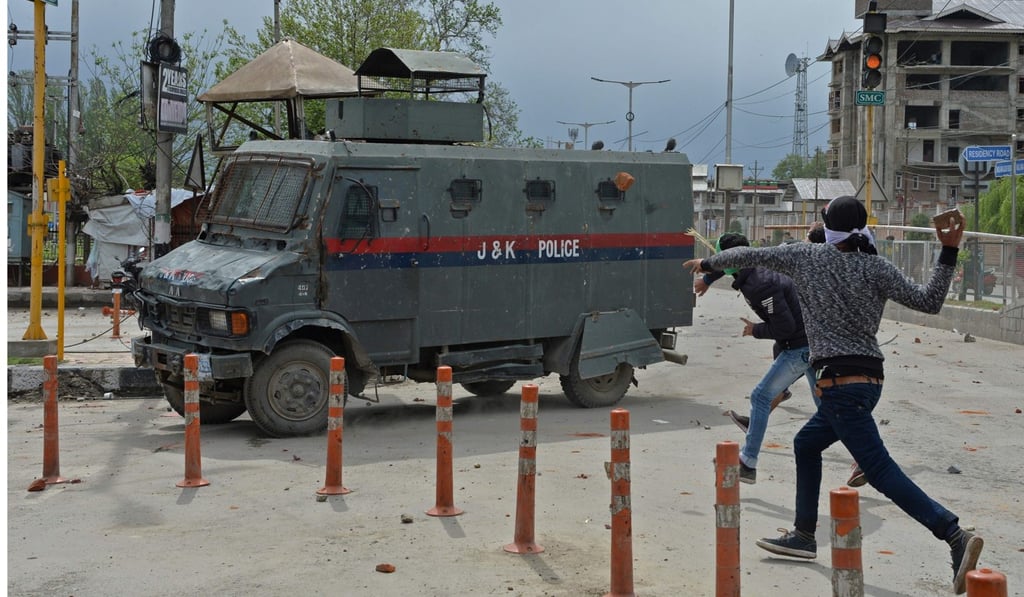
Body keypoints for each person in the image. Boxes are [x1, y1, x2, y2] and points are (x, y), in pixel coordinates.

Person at [683, 196, 982, 594]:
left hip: (839, 385)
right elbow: (930, 301)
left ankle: (952, 534)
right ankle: (804, 535)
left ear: (828, 228)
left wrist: (708, 265)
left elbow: (748, 252)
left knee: (879, 472)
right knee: (806, 443)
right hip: (868, 381)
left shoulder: (807, 258)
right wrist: (948, 250)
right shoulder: (876, 266)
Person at [694, 233, 815, 485]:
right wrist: (707, 277)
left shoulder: (761, 285)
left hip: (801, 346)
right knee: (829, 408)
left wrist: (755, 330)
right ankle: (866, 459)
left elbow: (784, 327)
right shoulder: (752, 268)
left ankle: (747, 463)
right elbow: (727, 264)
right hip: (809, 341)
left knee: (761, 396)